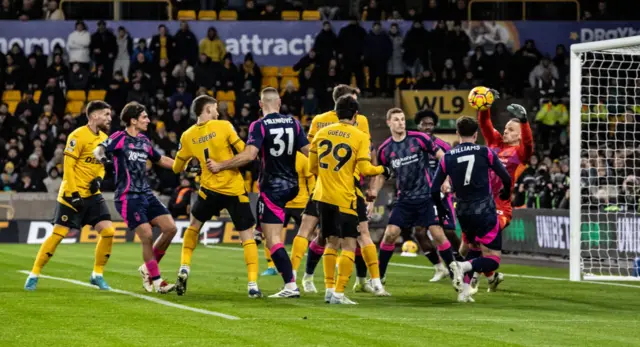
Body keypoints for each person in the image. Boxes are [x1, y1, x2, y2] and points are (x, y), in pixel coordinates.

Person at [207, 87, 309, 298]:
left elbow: (250, 155)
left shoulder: (259, 125)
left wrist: (221, 165)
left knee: (272, 240)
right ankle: (260, 228)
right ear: (279, 103)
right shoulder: (294, 123)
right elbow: (310, 152)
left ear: (261, 105)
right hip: (293, 186)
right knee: (267, 231)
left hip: (273, 188)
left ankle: (291, 286)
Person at [291, 85, 385, 296]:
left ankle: (298, 280)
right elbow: (367, 156)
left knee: (320, 235)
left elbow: (310, 155)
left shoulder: (319, 123)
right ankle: (347, 288)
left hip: (321, 187)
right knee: (351, 237)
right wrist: (380, 173)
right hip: (346, 189)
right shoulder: (359, 123)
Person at [171, 95, 262, 298]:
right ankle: (253, 284)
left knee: (194, 226)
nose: (218, 112)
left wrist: (191, 165)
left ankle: (184, 267)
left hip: (208, 191)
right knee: (247, 236)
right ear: (207, 110)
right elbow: (244, 153)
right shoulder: (224, 126)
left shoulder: (187, 135)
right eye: (215, 109)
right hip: (234, 190)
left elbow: (177, 167)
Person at [24, 101, 116, 291]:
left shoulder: (105, 139)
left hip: (92, 195)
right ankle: (34, 274)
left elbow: (100, 166)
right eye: (106, 114)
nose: (109, 118)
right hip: (71, 194)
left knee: (108, 231)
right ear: (93, 116)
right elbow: (68, 166)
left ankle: (97, 274)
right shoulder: (77, 136)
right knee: (58, 235)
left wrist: (98, 179)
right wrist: (74, 193)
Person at [94, 102, 178, 294]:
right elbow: (98, 150)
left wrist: (182, 166)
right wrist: (103, 159)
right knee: (147, 235)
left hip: (146, 194)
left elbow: (161, 159)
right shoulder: (119, 138)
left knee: (170, 228)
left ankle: (147, 268)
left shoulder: (144, 141)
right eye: (144, 117)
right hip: (127, 197)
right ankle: (156, 281)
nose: (148, 120)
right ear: (133, 120)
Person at [369, 108, 457, 288]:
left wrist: (446, 179)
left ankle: (455, 274)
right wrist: (372, 198)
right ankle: (379, 277)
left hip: (426, 196)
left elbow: (442, 157)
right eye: (396, 120)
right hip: (404, 199)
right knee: (390, 234)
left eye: (402, 119)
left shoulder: (419, 139)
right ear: (389, 123)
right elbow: (381, 176)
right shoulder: (385, 149)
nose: (401, 122)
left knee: (438, 233)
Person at [431, 116, 512, 303]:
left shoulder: (448, 157)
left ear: (457, 133)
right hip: (485, 210)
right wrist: (506, 193)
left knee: (474, 248)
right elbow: (506, 178)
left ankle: (464, 292)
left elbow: (434, 189)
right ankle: (462, 266)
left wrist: (441, 209)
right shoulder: (486, 152)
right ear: (476, 134)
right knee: (493, 259)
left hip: (463, 211)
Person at [473, 100, 533, 292]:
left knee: (481, 237)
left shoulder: (520, 153)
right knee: (474, 242)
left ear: (520, 135)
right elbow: (485, 125)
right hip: (481, 202)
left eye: (511, 129)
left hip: (500, 205)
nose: (505, 131)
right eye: (505, 128)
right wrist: (484, 107)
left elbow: (529, 144)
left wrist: (524, 121)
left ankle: (471, 273)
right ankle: (491, 276)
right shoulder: (495, 144)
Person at [414, 109, 462, 281]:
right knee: (419, 232)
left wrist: (448, 182)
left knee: (448, 231)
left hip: (441, 194)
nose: (428, 127)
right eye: (424, 124)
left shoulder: (443, 146)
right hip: (420, 195)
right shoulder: (413, 146)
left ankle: (463, 262)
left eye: (431, 124)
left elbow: (451, 167)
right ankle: (439, 267)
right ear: (417, 125)